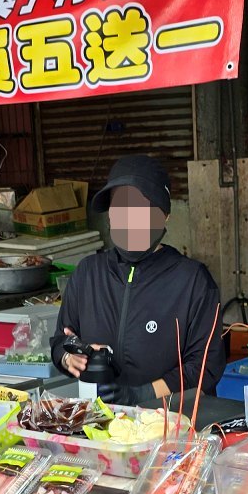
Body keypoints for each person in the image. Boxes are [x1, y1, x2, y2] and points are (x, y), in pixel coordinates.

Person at [51, 155, 225, 407]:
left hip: (172, 426)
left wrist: (140, 395)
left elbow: (205, 367)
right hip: (100, 425)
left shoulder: (192, 281)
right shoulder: (88, 273)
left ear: (164, 214)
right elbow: (61, 340)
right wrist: (69, 358)